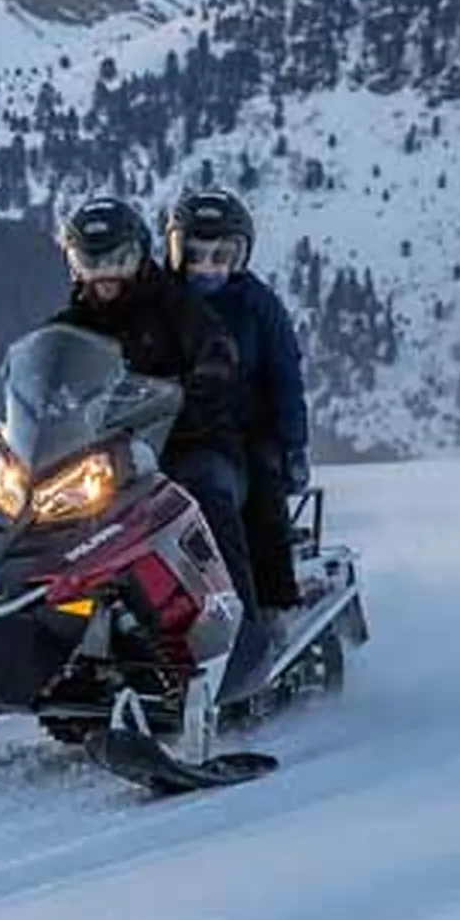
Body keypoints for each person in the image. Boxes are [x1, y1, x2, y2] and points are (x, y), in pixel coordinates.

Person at [48, 195, 269, 691]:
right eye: (91, 261)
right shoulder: (73, 320)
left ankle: (245, 635)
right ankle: (42, 638)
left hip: (192, 439)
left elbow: (216, 346)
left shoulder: (173, 304)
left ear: (141, 255)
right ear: (74, 263)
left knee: (203, 494)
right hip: (106, 456)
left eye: (118, 260)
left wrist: (204, 379)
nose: (105, 275)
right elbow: (41, 370)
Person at [165, 185, 314, 614]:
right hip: (167, 429)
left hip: (247, 431)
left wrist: (294, 446)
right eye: (194, 254)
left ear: (240, 257)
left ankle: (273, 604)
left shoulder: (258, 306)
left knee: (261, 491)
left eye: (221, 256)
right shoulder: (160, 301)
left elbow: (287, 378)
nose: (206, 268)